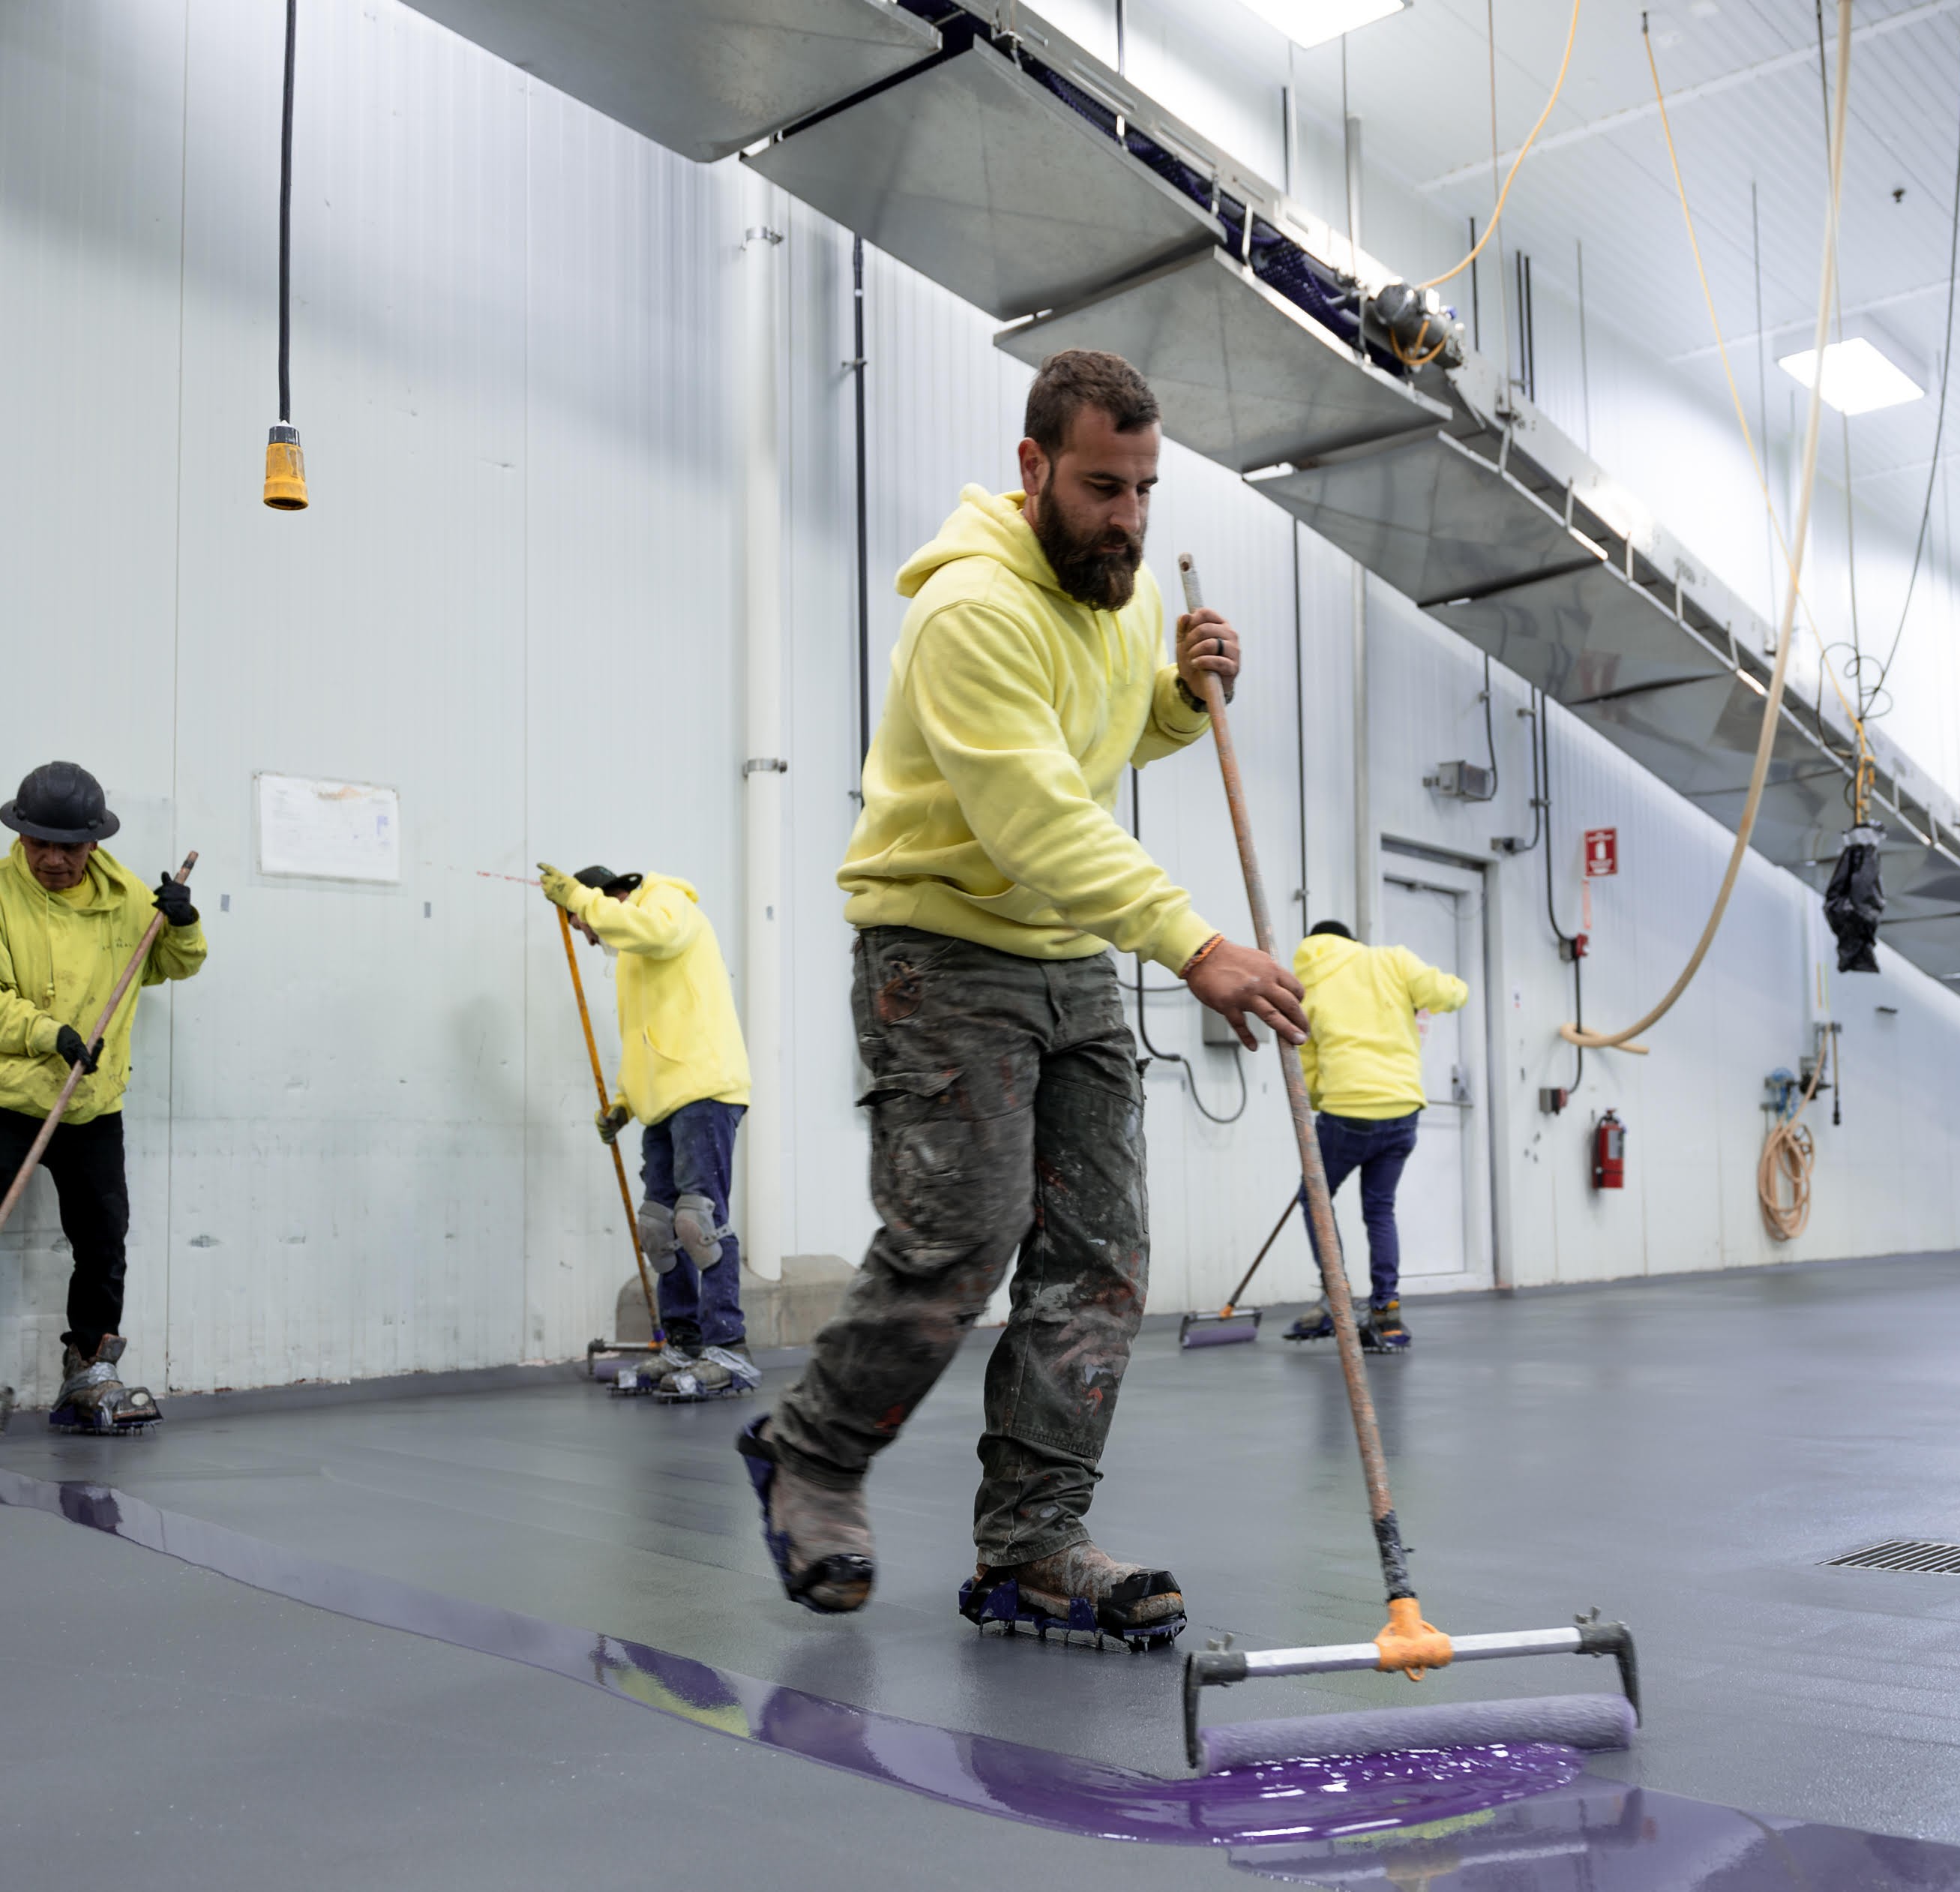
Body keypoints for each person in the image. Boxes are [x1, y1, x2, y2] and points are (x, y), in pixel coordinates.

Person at [740, 349, 1307, 1641]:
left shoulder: (1117, 597)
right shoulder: (969, 610)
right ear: (1033, 466)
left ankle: (1033, 1547)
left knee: (1100, 1261)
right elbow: (1035, 818)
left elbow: (1093, 739)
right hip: (938, 951)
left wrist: (1175, 696)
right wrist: (1191, 940)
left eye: (1146, 490)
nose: (1129, 518)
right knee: (960, 1236)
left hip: (1068, 961)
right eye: (1104, 487)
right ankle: (812, 1452)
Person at [0, 763, 206, 1433]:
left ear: (94, 843)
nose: (53, 860)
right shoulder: (1, 896)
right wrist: (45, 1032)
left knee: (102, 1243)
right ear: (21, 835)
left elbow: (174, 965)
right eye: (40, 844)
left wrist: (181, 923)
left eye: (69, 846)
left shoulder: (126, 901)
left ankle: (90, 1371)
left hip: (91, 1107)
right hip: (7, 1099)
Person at [535, 864, 758, 1402]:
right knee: (660, 1226)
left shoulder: (668, 905)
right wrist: (624, 1102)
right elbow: (644, 1039)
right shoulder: (632, 958)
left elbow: (655, 930)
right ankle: (682, 1343)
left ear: (606, 896)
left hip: (704, 1087)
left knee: (697, 1221)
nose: (590, 935)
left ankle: (728, 1347)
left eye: (586, 921)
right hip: (661, 1103)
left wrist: (580, 901)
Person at [1280, 919, 1468, 1353]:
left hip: (1346, 1114)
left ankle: (1336, 1299)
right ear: (1353, 943)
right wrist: (1457, 988)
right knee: (1380, 1210)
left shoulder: (1306, 987)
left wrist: (1328, 1096)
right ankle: (1387, 1312)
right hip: (1403, 1111)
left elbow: (1308, 1067)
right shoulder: (1391, 960)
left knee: (1315, 1198)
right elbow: (1447, 995)